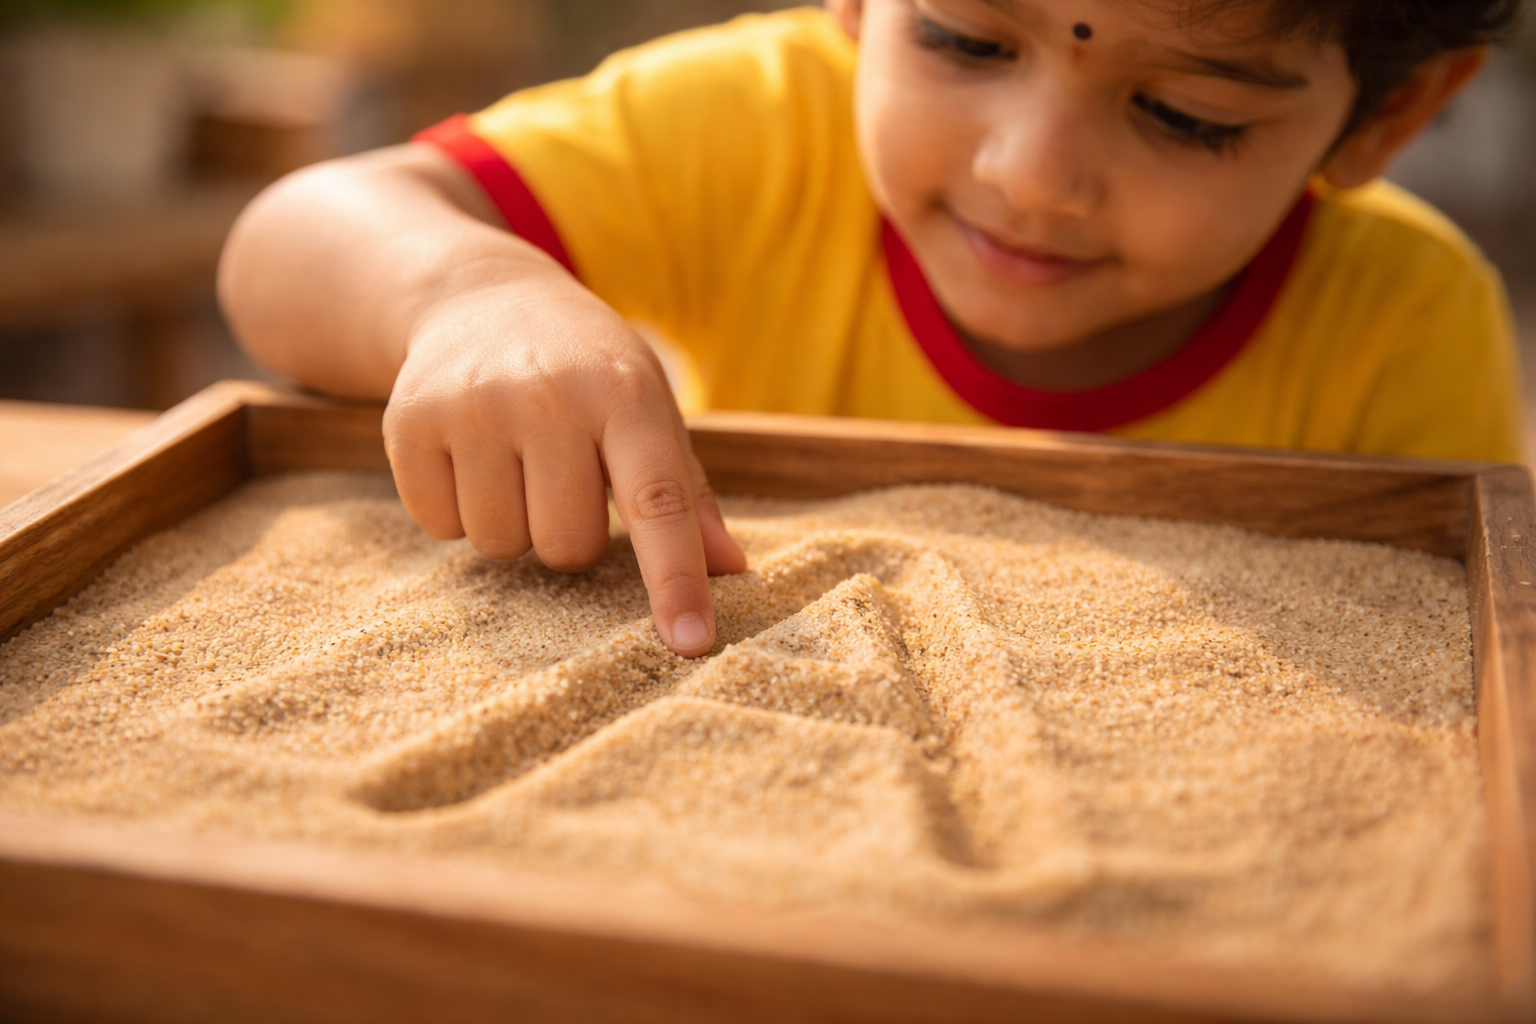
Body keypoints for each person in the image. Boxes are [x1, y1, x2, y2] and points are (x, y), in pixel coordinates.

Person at [218, 0, 1526, 657]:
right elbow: (294, 235)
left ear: (1393, 114)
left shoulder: (1406, 323)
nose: (1028, 174)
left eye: (1185, 116)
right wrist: (466, 294)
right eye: (966, 39)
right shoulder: (763, 124)